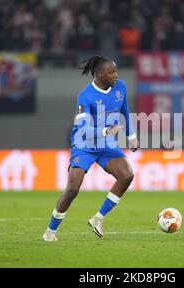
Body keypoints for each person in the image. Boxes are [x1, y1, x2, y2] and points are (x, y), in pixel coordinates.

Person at [43, 55, 139, 242]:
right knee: (72, 189)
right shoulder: (85, 96)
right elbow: (84, 130)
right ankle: (50, 230)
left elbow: (124, 109)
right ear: (100, 75)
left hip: (105, 144)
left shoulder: (120, 87)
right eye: (112, 72)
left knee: (126, 175)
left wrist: (131, 135)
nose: (116, 75)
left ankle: (98, 218)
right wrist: (106, 130)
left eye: (116, 70)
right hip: (84, 145)